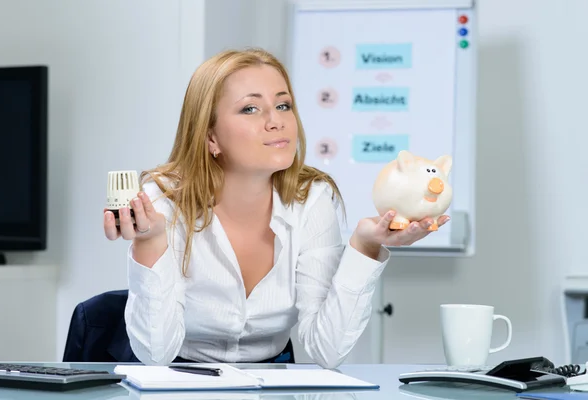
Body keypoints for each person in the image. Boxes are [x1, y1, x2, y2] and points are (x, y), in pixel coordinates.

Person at [103, 48, 449, 368]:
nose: (276, 121)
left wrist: (365, 246)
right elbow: (156, 352)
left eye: (283, 105)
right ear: (211, 137)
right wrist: (149, 244)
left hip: (271, 384)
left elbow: (326, 351)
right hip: (177, 380)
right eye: (250, 109)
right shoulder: (163, 199)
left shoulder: (313, 199)